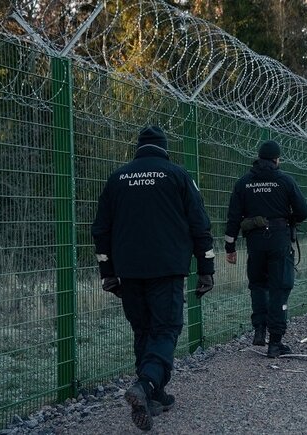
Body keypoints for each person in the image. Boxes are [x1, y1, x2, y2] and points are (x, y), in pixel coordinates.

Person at [91, 126, 215, 431]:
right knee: (166, 329)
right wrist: (206, 269)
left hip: (129, 269)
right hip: (167, 267)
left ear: (138, 149)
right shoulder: (178, 175)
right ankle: (145, 385)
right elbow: (200, 224)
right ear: (164, 148)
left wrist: (107, 273)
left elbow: (101, 230)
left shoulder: (117, 179)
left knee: (143, 329)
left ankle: (155, 395)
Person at [224, 140, 307, 358]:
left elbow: (233, 216)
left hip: (255, 242)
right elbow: (304, 210)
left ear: (258, 158)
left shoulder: (244, 183)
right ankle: (276, 342)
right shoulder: (285, 181)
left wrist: (230, 246)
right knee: (280, 287)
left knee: (258, 285)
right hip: (279, 239)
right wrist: (290, 219)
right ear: (276, 159)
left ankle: (260, 330)